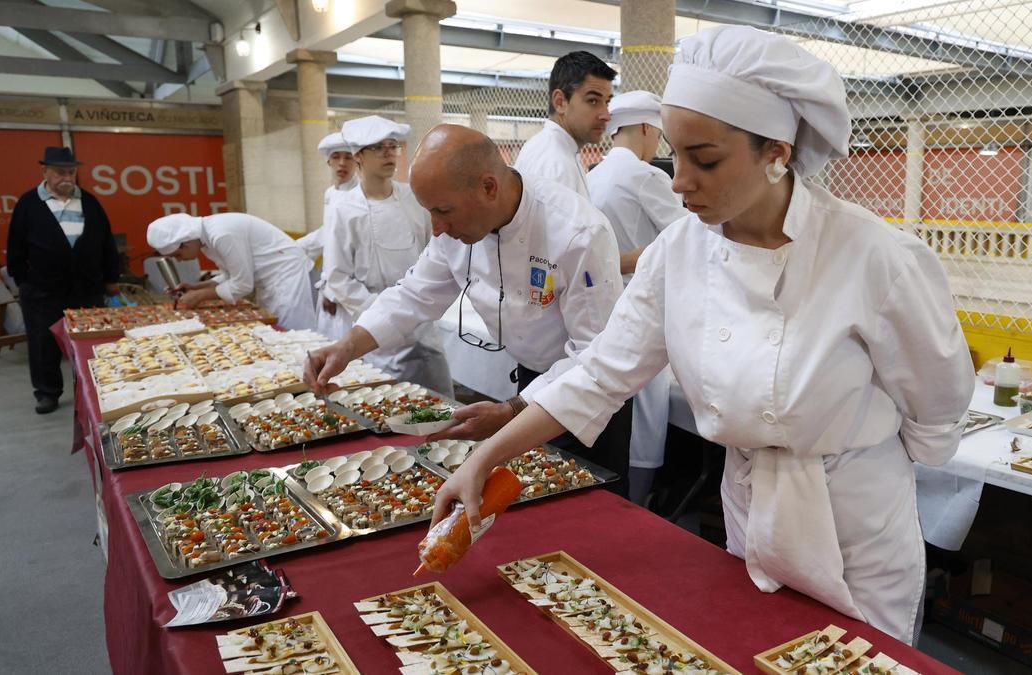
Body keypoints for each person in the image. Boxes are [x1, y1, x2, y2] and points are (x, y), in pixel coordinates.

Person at [429, 26, 975, 644]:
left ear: (776, 153)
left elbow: (938, 405)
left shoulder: (875, 255)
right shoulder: (681, 249)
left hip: (855, 523)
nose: (678, 180)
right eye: (675, 154)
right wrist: (487, 457)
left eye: (705, 160)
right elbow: (601, 372)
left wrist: (852, 451)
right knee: (761, 646)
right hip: (749, 508)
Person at [304, 124, 633, 492]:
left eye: (443, 211)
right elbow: (413, 294)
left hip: (588, 392)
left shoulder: (577, 232)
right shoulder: (455, 230)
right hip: (532, 381)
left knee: (590, 503)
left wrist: (511, 410)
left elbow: (593, 355)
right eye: (429, 212)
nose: (437, 228)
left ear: (489, 188)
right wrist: (347, 347)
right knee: (530, 495)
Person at [586, 91, 690, 502]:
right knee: (645, 419)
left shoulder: (593, 176)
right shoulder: (647, 177)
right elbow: (689, 237)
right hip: (644, 308)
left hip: (604, 309)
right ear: (648, 128)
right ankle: (640, 503)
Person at [320, 115, 453, 394]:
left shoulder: (413, 198)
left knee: (439, 400)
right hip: (375, 329)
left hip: (421, 322)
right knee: (389, 402)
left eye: (393, 146)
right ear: (359, 155)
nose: (388, 153)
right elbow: (338, 277)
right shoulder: (344, 209)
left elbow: (433, 251)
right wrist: (379, 309)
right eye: (378, 147)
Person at [6, 146, 120, 414]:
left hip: (87, 289)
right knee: (43, 345)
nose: (67, 177)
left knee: (90, 343)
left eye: (71, 172)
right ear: (45, 171)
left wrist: (111, 278)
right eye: (60, 172)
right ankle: (47, 393)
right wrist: (24, 282)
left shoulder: (90, 202)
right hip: (42, 291)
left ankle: (95, 389)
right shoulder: (28, 203)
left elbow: (106, 243)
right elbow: (16, 248)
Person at [146, 212, 317, 331]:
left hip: (287, 276)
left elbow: (243, 284)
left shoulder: (221, 234)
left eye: (177, 255)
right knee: (276, 330)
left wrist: (200, 296)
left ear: (186, 242)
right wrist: (195, 287)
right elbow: (230, 276)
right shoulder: (205, 239)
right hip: (270, 280)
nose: (179, 260)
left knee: (294, 332)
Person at [512, 51, 615, 198]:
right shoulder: (555, 164)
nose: (606, 115)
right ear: (560, 102)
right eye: (593, 101)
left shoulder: (555, 149)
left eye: (607, 102)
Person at [297, 131, 359, 339]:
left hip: (347, 286)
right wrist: (295, 246)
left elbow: (347, 245)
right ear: (328, 162)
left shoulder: (358, 195)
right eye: (336, 157)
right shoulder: (331, 193)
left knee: (345, 341)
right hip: (329, 280)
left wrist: (333, 292)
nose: (342, 163)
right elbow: (328, 232)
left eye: (348, 157)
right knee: (327, 339)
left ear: (357, 161)